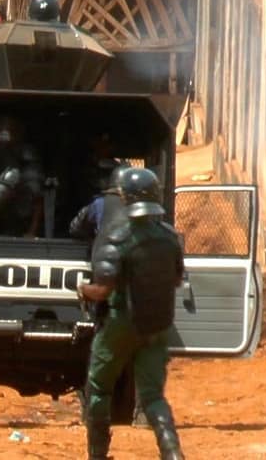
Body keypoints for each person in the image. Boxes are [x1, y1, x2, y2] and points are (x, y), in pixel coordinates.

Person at [78, 168, 185, 460]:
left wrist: (82, 289)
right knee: (153, 396)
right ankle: (172, 452)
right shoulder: (170, 237)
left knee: (98, 388)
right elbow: (177, 279)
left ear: (126, 197)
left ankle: (97, 454)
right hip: (157, 326)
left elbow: (102, 290)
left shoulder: (118, 237)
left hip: (120, 325)